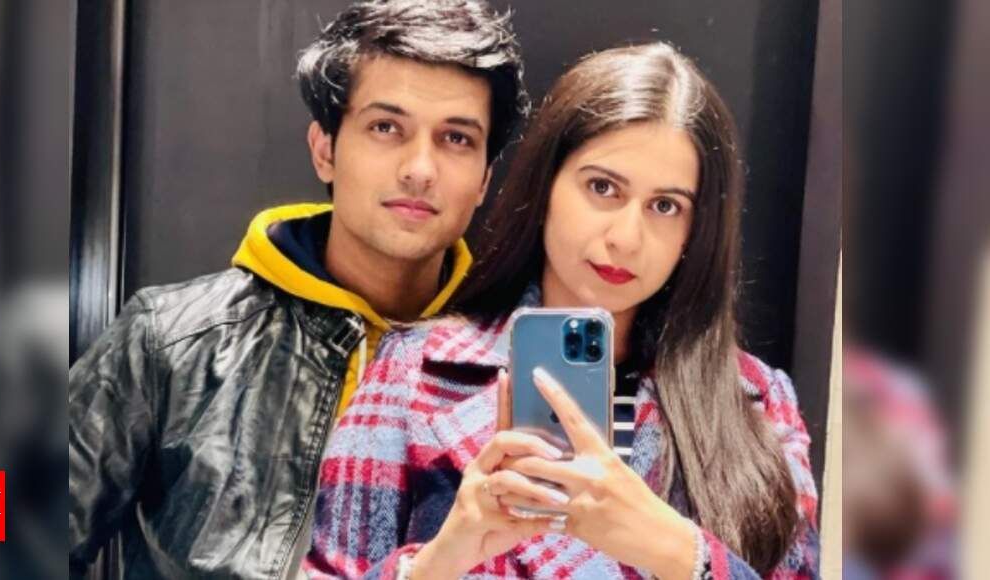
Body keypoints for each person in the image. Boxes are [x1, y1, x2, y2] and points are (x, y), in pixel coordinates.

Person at [305, 43, 820, 579]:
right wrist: (439, 560)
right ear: (546, 186)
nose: (625, 237)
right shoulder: (416, 373)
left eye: (665, 206)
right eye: (603, 187)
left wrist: (677, 552)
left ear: (697, 229)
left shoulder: (755, 402)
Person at [68, 1, 529, 578]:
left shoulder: (516, 364)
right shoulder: (172, 340)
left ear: (485, 179)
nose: (420, 169)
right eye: (386, 128)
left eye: (456, 138)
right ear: (325, 149)